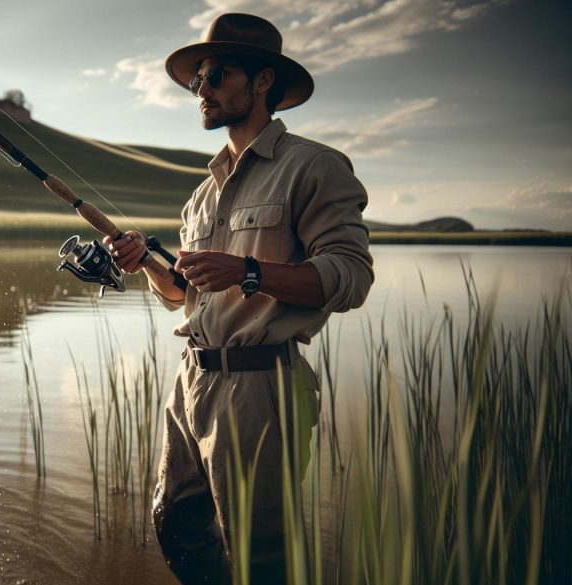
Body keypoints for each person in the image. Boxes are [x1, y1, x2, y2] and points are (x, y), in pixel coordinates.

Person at [104, 13, 374, 584]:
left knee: (260, 554)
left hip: (261, 388)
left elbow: (349, 276)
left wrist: (249, 271)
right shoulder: (201, 195)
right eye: (197, 78)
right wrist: (148, 264)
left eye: (216, 75)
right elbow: (185, 294)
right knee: (174, 523)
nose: (201, 89)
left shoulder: (314, 167)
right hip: (191, 383)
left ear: (262, 82)